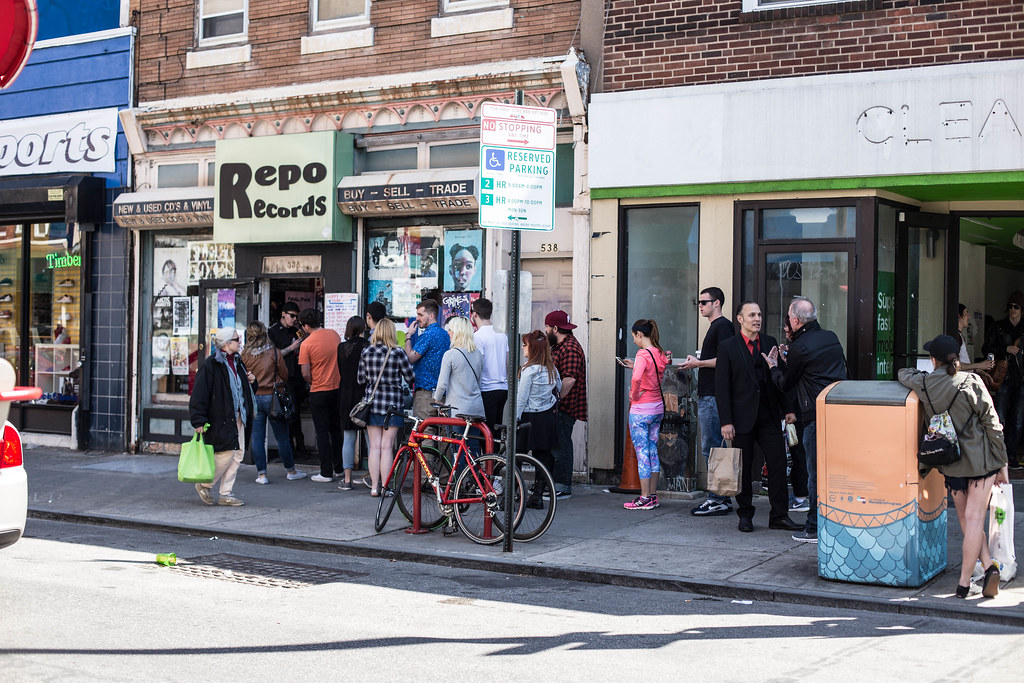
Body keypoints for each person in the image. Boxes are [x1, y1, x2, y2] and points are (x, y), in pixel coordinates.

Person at [898, 334, 1009, 598]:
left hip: (951, 462)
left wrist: (922, 372)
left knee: (965, 520)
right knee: (975, 519)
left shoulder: (925, 383)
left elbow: (903, 373)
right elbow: (993, 425)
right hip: (981, 461)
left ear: (933, 360)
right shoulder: (971, 382)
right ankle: (964, 582)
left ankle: (988, 567)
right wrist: (1002, 462)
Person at [764, 296, 848, 542]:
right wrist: (790, 359)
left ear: (795, 320)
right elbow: (818, 369)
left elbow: (785, 383)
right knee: (834, 472)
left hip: (814, 416)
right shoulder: (830, 337)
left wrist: (773, 366)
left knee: (815, 474)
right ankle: (835, 521)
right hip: (837, 411)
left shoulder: (800, 347)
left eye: (789, 319)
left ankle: (813, 527)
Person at [715, 301, 802, 533]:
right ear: (740, 319)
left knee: (778, 465)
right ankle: (745, 515)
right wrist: (726, 421)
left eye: (759, 315)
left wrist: (788, 409)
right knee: (743, 469)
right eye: (752, 315)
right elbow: (722, 388)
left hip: (769, 415)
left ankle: (779, 516)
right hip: (740, 418)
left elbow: (779, 378)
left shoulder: (769, 342)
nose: (757, 319)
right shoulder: (728, 347)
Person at [681, 286, 736, 517]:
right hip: (709, 395)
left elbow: (727, 359)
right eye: (699, 303)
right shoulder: (717, 326)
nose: (700, 306)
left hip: (713, 396)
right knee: (714, 447)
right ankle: (721, 497)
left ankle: (717, 499)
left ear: (717, 303)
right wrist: (699, 361)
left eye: (704, 302)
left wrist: (699, 363)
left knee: (712, 448)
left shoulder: (723, 326)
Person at [189, 328, 256, 507]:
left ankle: (226, 493)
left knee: (238, 454)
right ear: (226, 344)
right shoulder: (210, 365)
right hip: (221, 417)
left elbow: (244, 390)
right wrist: (198, 420)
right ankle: (205, 484)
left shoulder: (238, 361)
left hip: (240, 416)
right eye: (236, 339)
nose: (240, 342)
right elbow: (199, 395)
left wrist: (251, 381)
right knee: (225, 455)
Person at [240, 321, 306, 485]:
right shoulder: (274, 353)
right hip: (273, 397)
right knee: (282, 437)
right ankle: (291, 471)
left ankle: (262, 475)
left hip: (254, 397)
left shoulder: (244, 356)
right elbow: (285, 375)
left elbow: (242, 378)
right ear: (265, 334)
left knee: (257, 438)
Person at [358, 318, 415, 496]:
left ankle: (374, 487)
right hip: (393, 405)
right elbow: (410, 377)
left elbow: (360, 379)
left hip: (373, 405)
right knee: (387, 447)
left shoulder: (366, 351)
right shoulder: (397, 352)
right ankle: (385, 487)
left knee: (374, 447)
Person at [619, 319, 669, 510]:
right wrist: (635, 365)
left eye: (634, 336)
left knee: (642, 453)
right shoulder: (659, 352)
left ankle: (644, 497)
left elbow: (638, 378)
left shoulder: (642, 354)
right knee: (653, 450)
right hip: (657, 408)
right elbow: (653, 374)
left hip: (641, 411)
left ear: (640, 334)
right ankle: (653, 495)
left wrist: (633, 394)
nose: (633, 340)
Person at [297, 308, 343, 483]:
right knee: (336, 430)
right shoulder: (334, 335)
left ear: (306, 326)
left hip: (318, 390)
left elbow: (305, 373)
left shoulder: (306, 344)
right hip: (337, 388)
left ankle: (326, 471)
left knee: (322, 432)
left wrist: (312, 381)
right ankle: (339, 468)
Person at [516, 330, 561, 503]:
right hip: (546, 417)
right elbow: (558, 387)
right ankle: (538, 495)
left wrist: (515, 418)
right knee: (543, 457)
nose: (522, 347)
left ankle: (515, 492)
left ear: (533, 348)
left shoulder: (528, 371)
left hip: (528, 416)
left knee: (517, 455)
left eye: (525, 345)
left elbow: (522, 398)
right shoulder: (551, 369)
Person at [546, 310, 587, 501]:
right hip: (559, 406)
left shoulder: (569, 348)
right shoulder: (560, 345)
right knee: (556, 444)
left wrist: (556, 401)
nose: (545, 331)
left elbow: (569, 380)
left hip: (564, 407)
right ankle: (555, 484)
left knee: (561, 446)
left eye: (547, 327)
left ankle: (563, 487)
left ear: (555, 328)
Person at [982, 291, 1024, 469]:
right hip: (1003, 377)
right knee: (999, 417)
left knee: (1018, 419)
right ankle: (998, 454)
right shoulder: (998, 326)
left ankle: (1011, 456)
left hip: (1021, 379)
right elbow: (986, 349)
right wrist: (1005, 349)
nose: (1012, 310)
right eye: (1010, 306)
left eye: (1016, 307)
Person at [434, 316, 486, 452]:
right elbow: (479, 382)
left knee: (458, 450)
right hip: (476, 408)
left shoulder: (450, 355)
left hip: (458, 410)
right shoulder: (477, 354)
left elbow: (442, 385)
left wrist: (437, 400)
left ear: (457, 332)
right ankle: (474, 467)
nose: (448, 333)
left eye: (450, 330)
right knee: (473, 448)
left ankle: (460, 468)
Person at [268, 301, 307, 455]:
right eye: (292, 316)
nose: (294, 319)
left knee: (296, 411)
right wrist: (292, 347)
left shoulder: (295, 330)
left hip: (297, 375)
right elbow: (273, 355)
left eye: (296, 317)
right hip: (283, 377)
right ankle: (290, 446)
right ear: (283, 314)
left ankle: (299, 445)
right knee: (289, 412)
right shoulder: (273, 331)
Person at [336, 315, 369, 490]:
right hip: (364, 396)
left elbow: (341, 370)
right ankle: (373, 477)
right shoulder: (368, 346)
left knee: (348, 438)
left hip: (345, 394)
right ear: (364, 328)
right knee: (370, 438)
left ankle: (347, 479)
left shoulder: (342, 347)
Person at [404, 299, 450, 420]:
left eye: (420, 315)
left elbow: (410, 358)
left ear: (431, 316)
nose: (417, 318)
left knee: (424, 430)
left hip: (425, 394)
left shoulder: (427, 335)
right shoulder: (446, 335)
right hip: (444, 395)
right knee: (443, 431)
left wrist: (408, 336)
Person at [471, 297, 508, 432]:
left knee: (485, 432)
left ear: (475, 314)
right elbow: (507, 361)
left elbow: (478, 364)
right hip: (503, 387)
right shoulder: (502, 334)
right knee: (496, 429)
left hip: (487, 388)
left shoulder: (477, 336)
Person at [957, 304, 995, 372]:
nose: (968, 317)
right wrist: (979, 365)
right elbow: (956, 365)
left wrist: (978, 370)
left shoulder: (959, 336)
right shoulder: (956, 338)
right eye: (966, 314)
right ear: (959, 316)